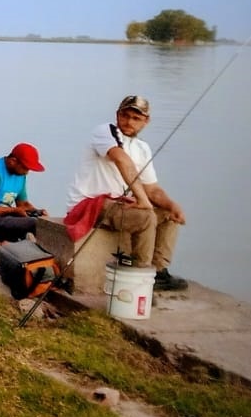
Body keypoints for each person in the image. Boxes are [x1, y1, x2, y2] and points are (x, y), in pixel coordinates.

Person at [67, 94, 189, 292]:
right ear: (117, 115)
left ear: (146, 121)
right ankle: (141, 274)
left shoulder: (142, 148)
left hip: (120, 203)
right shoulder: (105, 131)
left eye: (136, 118)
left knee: (168, 214)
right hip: (92, 203)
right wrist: (142, 200)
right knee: (146, 217)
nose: (129, 122)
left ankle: (159, 271)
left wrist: (172, 205)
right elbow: (121, 159)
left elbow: (152, 189)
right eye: (125, 115)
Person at [0, 143, 45, 243]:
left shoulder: (20, 174)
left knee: (44, 223)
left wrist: (37, 212)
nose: (27, 172)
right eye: (25, 168)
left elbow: (22, 204)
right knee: (34, 224)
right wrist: (13, 210)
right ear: (13, 161)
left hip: (7, 214)